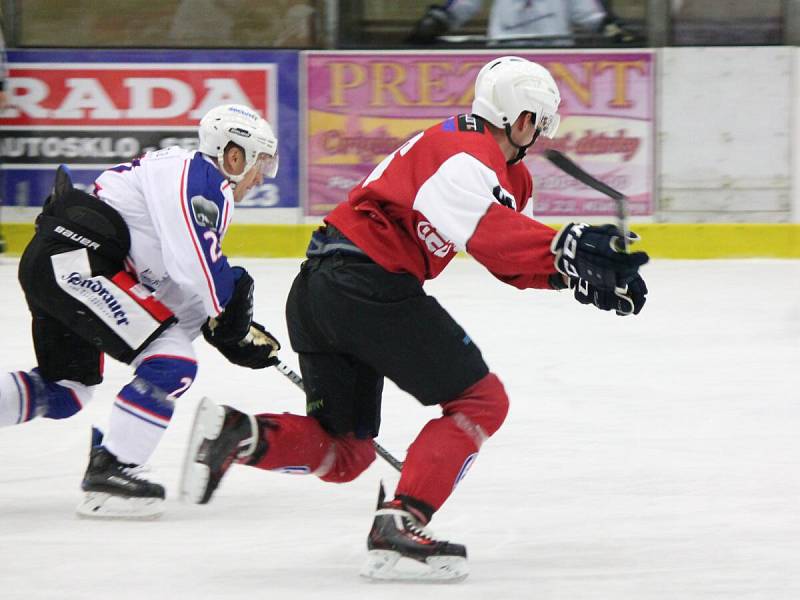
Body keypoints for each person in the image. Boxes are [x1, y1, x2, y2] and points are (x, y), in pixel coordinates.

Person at [180, 56, 649, 581]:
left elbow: (510, 260)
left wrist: (576, 275)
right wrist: (568, 247)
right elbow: (491, 232)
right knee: (481, 401)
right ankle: (400, 525)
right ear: (524, 119)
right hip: (366, 284)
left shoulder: (505, 175)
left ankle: (237, 434)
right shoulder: (460, 151)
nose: (538, 133)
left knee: (345, 450)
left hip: (320, 290)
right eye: (539, 121)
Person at [0, 104, 282, 519]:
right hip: (75, 262)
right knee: (172, 363)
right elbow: (197, 268)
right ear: (233, 155)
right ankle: (113, 474)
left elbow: (172, 288)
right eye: (261, 162)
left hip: (65, 261)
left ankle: (113, 465)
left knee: (65, 390)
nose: (262, 177)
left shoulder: (190, 180)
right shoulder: (202, 181)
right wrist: (230, 313)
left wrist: (219, 324)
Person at [406, 0, 640, 46]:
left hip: (556, 59)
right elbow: (463, 4)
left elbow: (589, 13)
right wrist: (437, 21)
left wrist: (611, 28)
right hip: (504, 54)